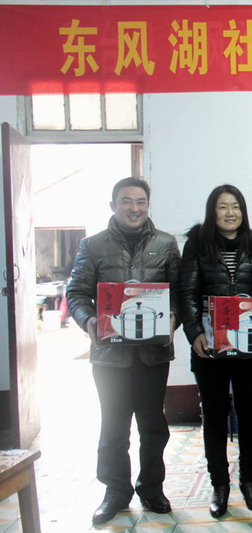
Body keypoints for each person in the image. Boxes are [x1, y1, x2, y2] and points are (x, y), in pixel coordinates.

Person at [66, 177, 180, 524]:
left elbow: (179, 291)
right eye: (127, 201)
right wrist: (88, 321)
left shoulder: (166, 243)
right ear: (113, 205)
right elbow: (76, 293)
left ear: (148, 205)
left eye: (141, 201)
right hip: (109, 356)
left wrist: (172, 318)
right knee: (113, 426)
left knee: (153, 425)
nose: (134, 208)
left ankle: (152, 488)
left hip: (152, 353)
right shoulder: (93, 245)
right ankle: (115, 491)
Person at [179, 185, 252, 518]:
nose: (230, 213)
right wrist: (195, 333)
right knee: (213, 416)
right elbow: (187, 292)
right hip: (209, 348)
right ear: (212, 212)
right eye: (222, 206)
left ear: (243, 211)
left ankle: (248, 482)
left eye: (235, 206)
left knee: (249, 414)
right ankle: (220, 485)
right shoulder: (197, 244)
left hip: (250, 346)